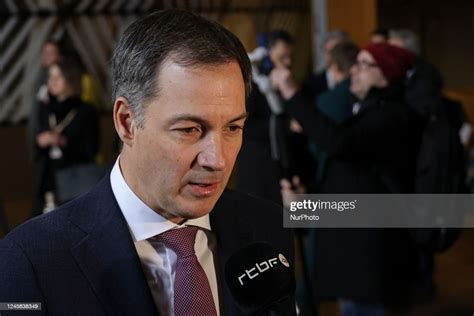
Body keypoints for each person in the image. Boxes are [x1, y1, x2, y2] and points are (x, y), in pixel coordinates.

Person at [0, 9, 295, 316]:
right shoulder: (28, 261)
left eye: (233, 128)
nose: (217, 159)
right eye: (189, 130)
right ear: (127, 122)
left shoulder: (267, 226)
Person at [272, 43, 422, 315]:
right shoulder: (367, 110)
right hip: (357, 255)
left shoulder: (392, 116)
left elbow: (338, 143)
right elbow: (353, 186)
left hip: (372, 258)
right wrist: (307, 202)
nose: (354, 69)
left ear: (386, 74)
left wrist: (291, 93)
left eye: (365, 64)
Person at [32, 57, 99, 214]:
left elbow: (92, 149)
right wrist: (41, 142)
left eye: (58, 77)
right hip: (48, 180)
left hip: (75, 182)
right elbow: (37, 149)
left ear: (70, 79)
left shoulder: (86, 111)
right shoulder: (45, 109)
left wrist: (63, 141)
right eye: (50, 77)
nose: (52, 82)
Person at [236, 30, 295, 204]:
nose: (288, 63)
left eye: (289, 57)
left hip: (278, 164)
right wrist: (286, 125)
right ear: (267, 53)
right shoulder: (249, 84)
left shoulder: (279, 81)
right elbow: (245, 125)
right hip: (256, 166)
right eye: (283, 57)